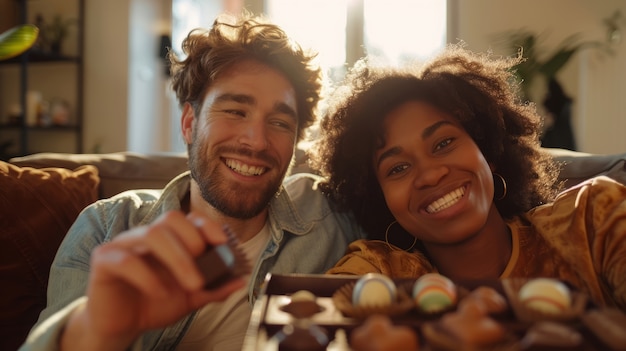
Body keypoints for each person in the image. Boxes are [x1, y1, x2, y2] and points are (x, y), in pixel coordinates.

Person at [19, 13, 364, 351]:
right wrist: (99, 329)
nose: (256, 141)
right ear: (188, 123)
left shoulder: (333, 217)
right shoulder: (107, 227)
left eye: (279, 122)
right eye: (235, 111)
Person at [309, 45, 626, 311]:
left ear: (487, 150)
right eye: (398, 168)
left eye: (444, 143)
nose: (431, 175)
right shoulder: (378, 271)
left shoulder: (591, 220)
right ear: (381, 198)